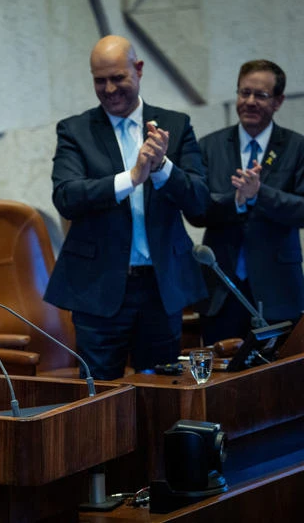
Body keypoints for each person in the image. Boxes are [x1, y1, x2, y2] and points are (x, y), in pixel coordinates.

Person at [44, 35, 209, 380]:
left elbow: (198, 203)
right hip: (99, 287)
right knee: (99, 399)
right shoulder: (76, 130)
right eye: (99, 80)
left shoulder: (175, 126)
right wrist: (132, 177)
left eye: (118, 78)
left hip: (161, 285)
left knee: (163, 393)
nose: (108, 89)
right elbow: (67, 196)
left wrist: (162, 167)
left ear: (139, 69)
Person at [190, 60, 304, 345]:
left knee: (279, 383)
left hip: (278, 289)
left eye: (260, 95)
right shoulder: (208, 146)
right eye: (244, 93)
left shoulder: (296, 147)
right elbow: (196, 209)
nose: (250, 102)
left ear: (278, 101)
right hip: (221, 290)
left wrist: (259, 194)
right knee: (222, 384)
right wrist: (236, 201)